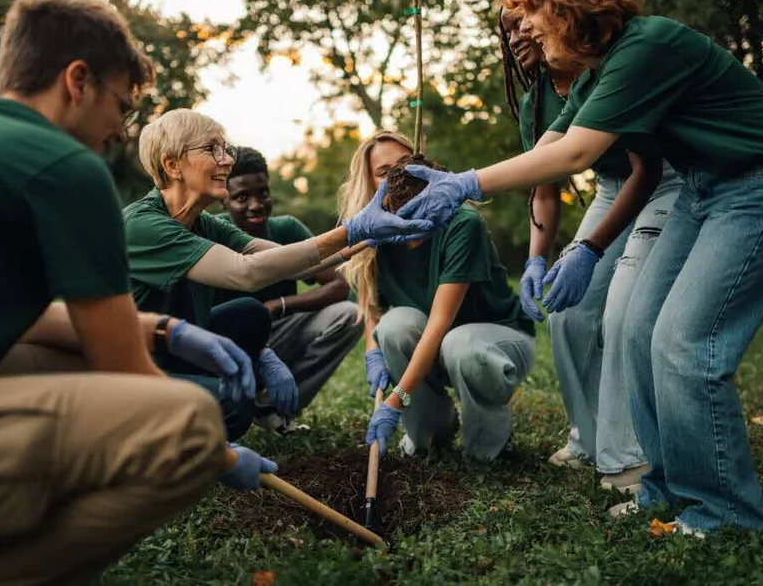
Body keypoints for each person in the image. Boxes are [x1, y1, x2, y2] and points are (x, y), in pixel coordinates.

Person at [399, 0, 763, 535]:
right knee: (639, 332)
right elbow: (552, 149)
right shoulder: (603, 69)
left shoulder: (648, 45)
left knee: (685, 343)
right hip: (699, 187)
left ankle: (724, 513)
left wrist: (467, 183)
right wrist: (562, 249)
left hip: (761, 182)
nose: (520, 27)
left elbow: (576, 155)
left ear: (568, 7)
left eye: (528, 10)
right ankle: (664, 486)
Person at [0, 0, 276, 584]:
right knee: (190, 417)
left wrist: (165, 327)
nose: (121, 130)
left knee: (59, 358)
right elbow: (126, 373)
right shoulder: (65, 166)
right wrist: (220, 456)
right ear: (77, 81)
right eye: (121, 104)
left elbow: (6, 316)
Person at [124, 110, 436, 439]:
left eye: (225, 149)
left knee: (249, 314)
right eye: (211, 149)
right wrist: (349, 232)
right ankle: (173, 438)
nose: (226, 161)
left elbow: (283, 258)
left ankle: (229, 408)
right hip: (139, 366)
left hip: (182, 347)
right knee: (233, 404)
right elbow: (245, 274)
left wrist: (362, 237)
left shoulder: (202, 223)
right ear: (172, 165)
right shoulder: (145, 225)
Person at [499, 5, 684, 494]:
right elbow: (543, 183)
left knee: (620, 314)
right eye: (507, 28)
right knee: (568, 313)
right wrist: (538, 258)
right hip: (612, 186)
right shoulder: (537, 101)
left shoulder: (605, 66)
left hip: (663, 183)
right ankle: (589, 436)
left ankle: (629, 456)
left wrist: (591, 248)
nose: (518, 34)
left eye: (522, 20)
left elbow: (641, 167)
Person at [340, 133, 536, 462]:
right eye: (383, 172)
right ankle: (428, 437)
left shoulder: (462, 223)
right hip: (438, 347)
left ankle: (488, 447)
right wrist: (374, 352)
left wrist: (396, 398)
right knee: (393, 326)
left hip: (493, 344)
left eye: (403, 166)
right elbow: (372, 309)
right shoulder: (377, 231)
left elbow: (440, 323)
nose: (396, 178)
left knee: (459, 343)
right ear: (370, 184)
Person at [214, 147, 363, 425]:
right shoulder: (211, 233)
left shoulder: (286, 230)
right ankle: (240, 403)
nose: (256, 204)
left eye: (263, 193)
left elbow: (340, 285)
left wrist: (279, 306)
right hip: (227, 343)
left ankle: (274, 408)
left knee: (349, 314)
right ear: (223, 199)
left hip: (278, 330)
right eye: (242, 197)